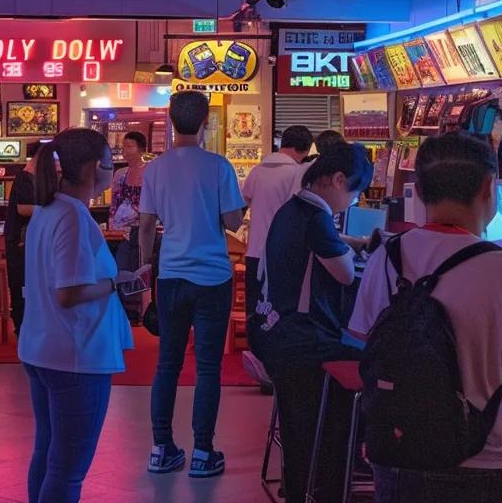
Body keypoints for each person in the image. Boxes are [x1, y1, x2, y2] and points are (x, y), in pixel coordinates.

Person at [347, 132, 502, 503]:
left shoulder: (386, 256)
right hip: (475, 456)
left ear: (419, 191)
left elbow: (364, 337)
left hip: (395, 451)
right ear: (488, 187)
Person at [19, 128, 137, 503]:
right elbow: (69, 292)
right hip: (75, 354)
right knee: (67, 471)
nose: (112, 169)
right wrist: (114, 283)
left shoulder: (49, 209)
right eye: (109, 162)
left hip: (44, 346)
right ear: (91, 168)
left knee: (48, 453)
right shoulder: (71, 215)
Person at [252, 143, 374, 503]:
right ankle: (334, 480)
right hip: (302, 343)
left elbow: (322, 243)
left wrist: (349, 242)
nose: (354, 201)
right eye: (355, 192)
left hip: (274, 334)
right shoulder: (317, 218)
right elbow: (345, 274)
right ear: (337, 180)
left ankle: (303, 486)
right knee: (378, 364)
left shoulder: (293, 208)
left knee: (299, 427)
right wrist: (356, 248)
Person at [138, 90, 246, 478]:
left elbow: (146, 225)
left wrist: (145, 267)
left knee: (167, 363)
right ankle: (202, 452)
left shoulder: (155, 169)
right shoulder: (219, 167)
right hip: (213, 277)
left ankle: (161, 448)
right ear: (206, 123)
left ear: (170, 121)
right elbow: (233, 221)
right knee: (208, 367)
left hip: (170, 275)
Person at [241, 125, 313, 318]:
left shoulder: (257, 170)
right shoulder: (298, 174)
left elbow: (243, 203)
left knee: (254, 312)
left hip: (255, 252)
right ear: (305, 149)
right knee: (279, 315)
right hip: (283, 254)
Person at [5, 142, 46, 335]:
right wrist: (51, 210)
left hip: (26, 241)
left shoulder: (32, 178)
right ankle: (22, 326)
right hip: (21, 242)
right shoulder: (25, 178)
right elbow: (22, 208)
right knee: (22, 284)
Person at [109, 132, 150, 321]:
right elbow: (114, 203)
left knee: (137, 267)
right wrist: (113, 224)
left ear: (141, 149)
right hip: (121, 229)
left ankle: (136, 308)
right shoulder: (120, 174)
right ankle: (124, 308)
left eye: (130, 146)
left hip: (142, 227)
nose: (125, 151)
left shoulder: (149, 172)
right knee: (120, 267)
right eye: (124, 146)